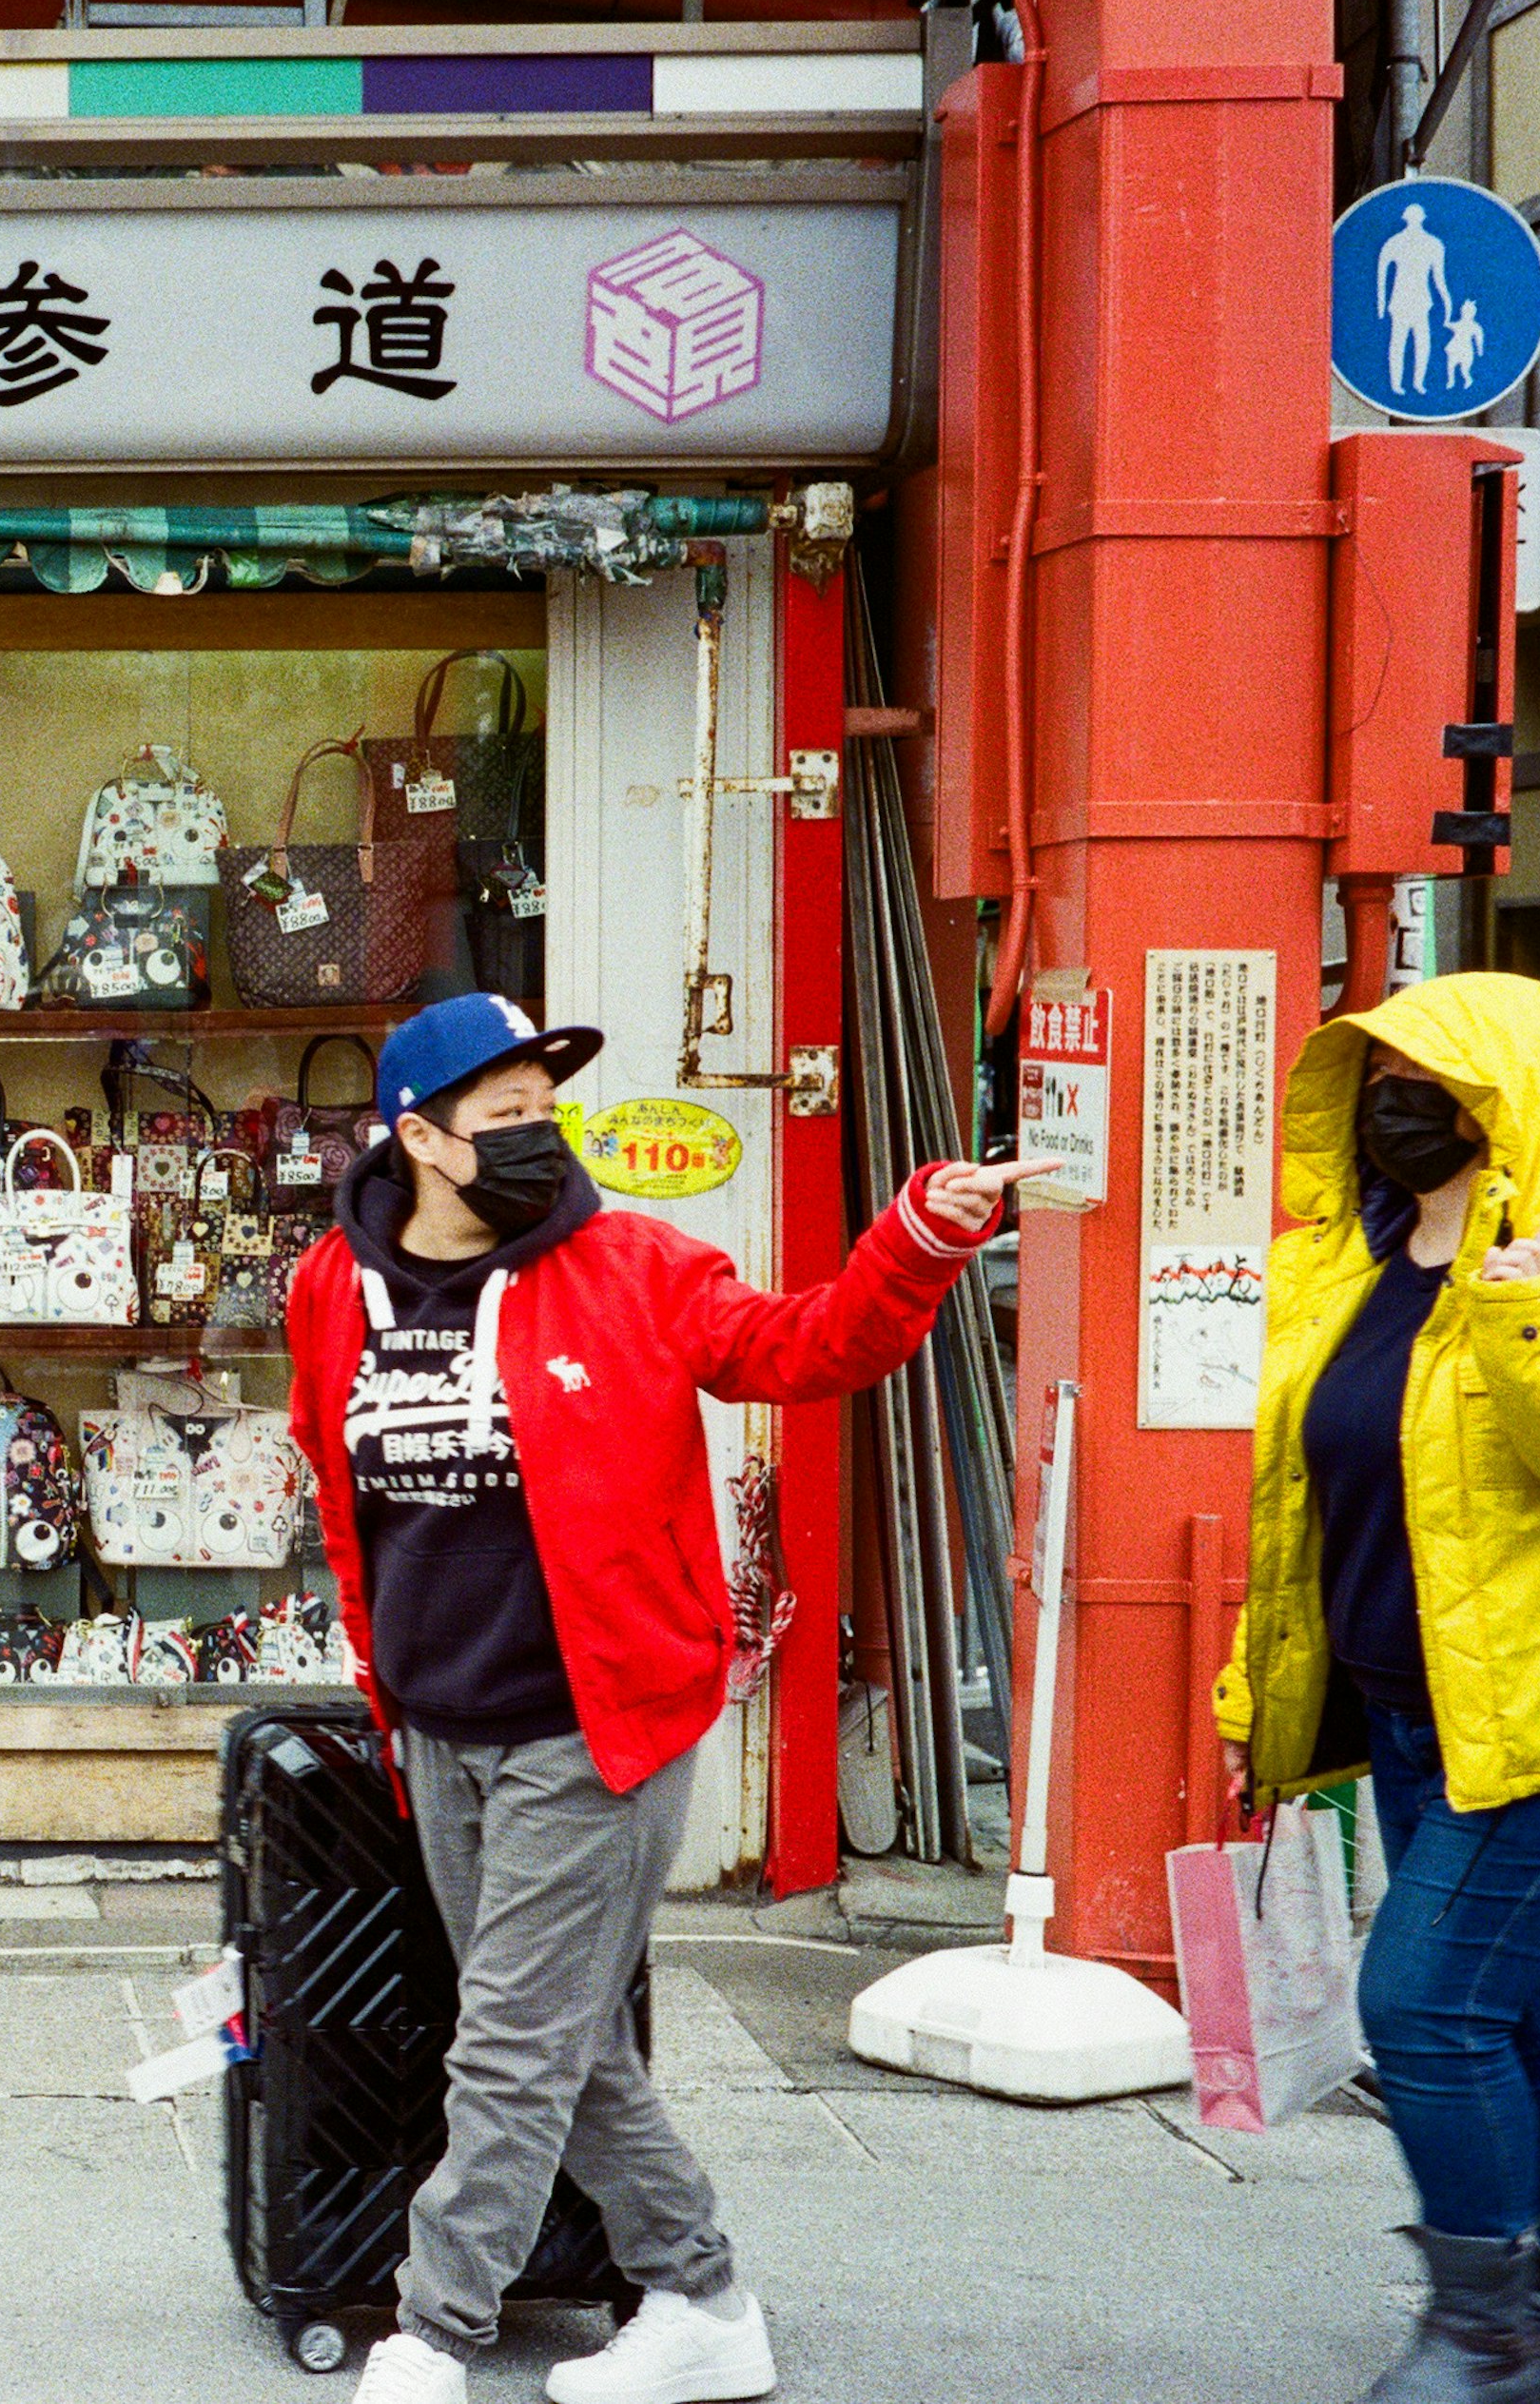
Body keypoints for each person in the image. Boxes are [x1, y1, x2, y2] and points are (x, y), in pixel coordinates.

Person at [289, 993, 1038, 2404]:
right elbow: (342, 1483)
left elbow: (806, 1347)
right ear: (418, 1139)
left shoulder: (631, 1264)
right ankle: (702, 2300)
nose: (538, 1137)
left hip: (597, 1724)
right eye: (503, 1115)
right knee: (557, 2042)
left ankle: (433, 2334)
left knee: (508, 2043)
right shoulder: (334, 1283)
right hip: (440, 1726)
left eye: (546, 1110)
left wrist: (919, 1236)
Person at [1215, 972, 1540, 2404]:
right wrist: (1261, 1692)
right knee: (1533, 2019)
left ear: (1508, 1097)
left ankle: (1488, 2328)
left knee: (1424, 2008)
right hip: (1409, 1715)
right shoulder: (1348, 1260)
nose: (1397, 1103)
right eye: (1376, 1076)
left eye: (1430, 1079)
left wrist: (1522, 1332)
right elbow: (1301, 1503)